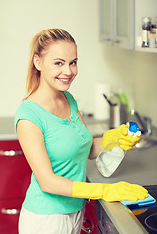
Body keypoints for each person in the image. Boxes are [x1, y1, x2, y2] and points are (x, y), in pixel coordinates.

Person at [15, 28, 148, 234]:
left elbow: (84, 147)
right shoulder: (29, 116)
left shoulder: (67, 99)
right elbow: (48, 182)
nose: (68, 71)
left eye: (73, 62)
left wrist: (114, 138)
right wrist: (105, 191)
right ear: (38, 62)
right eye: (58, 63)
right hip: (46, 220)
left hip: (75, 212)